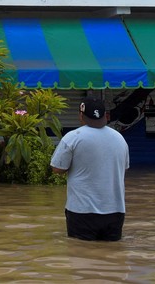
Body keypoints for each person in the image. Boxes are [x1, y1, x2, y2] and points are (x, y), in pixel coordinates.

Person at [50, 97, 130, 241]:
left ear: (81, 116)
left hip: (82, 212)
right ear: (106, 116)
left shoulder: (72, 138)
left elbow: (57, 169)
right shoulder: (120, 139)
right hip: (115, 211)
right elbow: (123, 169)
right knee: (114, 257)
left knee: (81, 256)